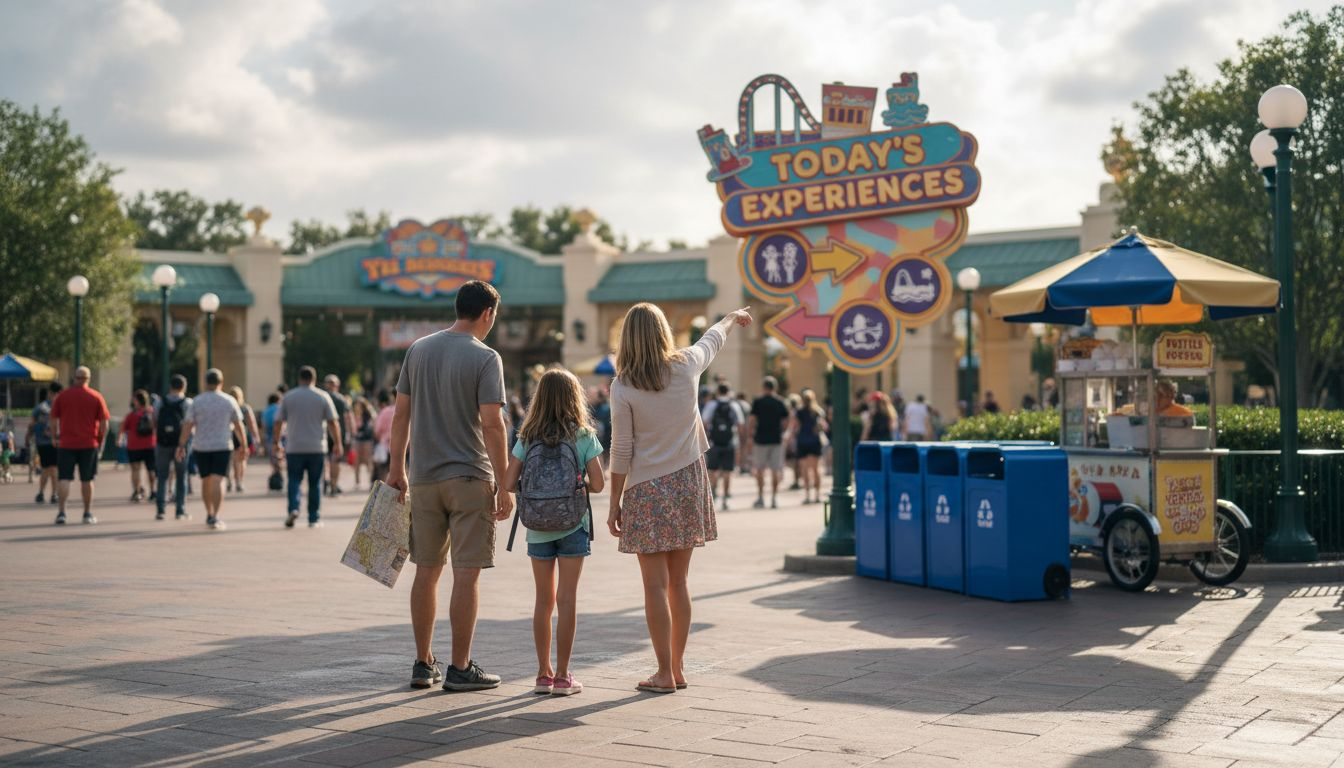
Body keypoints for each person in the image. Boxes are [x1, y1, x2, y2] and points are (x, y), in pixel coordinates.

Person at [607, 303, 752, 694]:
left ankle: (662, 673)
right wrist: (731, 318)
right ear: (663, 333)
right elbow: (712, 340)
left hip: (646, 488)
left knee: (654, 586)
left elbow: (621, 450)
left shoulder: (623, 385)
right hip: (689, 481)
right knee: (679, 583)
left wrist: (613, 504)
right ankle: (678, 666)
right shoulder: (686, 365)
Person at [386, 280, 512, 692]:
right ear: (487, 314)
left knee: (426, 571)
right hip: (470, 476)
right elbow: (492, 424)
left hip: (422, 478)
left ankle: (423, 663)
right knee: (466, 575)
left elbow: (400, 415)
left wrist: (396, 468)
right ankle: (460, 667)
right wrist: (505, 479)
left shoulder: (418, 350)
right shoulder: (486, 357)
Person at [501, 369, 605, 697]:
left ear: (539, 399)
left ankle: (542, 674)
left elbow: (507, 482)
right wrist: (575, 484)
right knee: (567, 599)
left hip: (537, 527)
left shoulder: (526, 436)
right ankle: (563, 676)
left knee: (543, 600)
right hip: (573, 524)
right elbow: (599, 484)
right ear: (575, 398)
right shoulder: (584, 435)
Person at [177, 369, 246, 531]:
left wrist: (181, 445)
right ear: (221, 383)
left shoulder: (197, 402)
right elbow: (238, 425)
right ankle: (215, 515)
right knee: (218, 480)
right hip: (222, 445)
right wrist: (243, 445)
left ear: (205, 383)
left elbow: (187, 425)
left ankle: (208, 512)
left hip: (201, 446)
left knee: (206, 480)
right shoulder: (229, 401)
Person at [274, 366, 341, 528]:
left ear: (299, 378)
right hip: (317, 447)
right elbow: (333, 422)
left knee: (294, 480)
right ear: (314, 379)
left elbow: (278, 422)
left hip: (294, 447)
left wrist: (276, 442)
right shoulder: (322, 396)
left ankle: (293, 508)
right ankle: (313, 517)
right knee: (315, 483)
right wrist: (338, 443)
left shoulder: (288, 397)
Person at [50, 366, 110, 525]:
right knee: (87, 479)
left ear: (74, 378)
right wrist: (100, 440)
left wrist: (55, 436)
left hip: (66, 443)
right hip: (89, 444)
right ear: (88, 379)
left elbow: (54, 419)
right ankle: (87, 513)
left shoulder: (62, 396)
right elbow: (104, 424)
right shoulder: (96, 397)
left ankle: (62, 513)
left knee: (64, 479)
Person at [747, 376, 790, 510]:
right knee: (775, 470)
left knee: (759, 470)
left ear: (763, 387)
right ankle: (774, 497)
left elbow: (752, 420)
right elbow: (786, 421)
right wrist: (782, 432)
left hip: (760, 439)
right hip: (776, 439)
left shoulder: (757, 401)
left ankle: (760, 497)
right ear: (775, 387)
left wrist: (750, 435)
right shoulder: (780, 401)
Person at [154, 375, 193, 521]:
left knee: (162, 477)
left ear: (170, 386)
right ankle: (180, 510)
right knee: (181, 476)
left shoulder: (160, 401)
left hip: (163, 443)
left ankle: (161, 510)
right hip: (180, 445)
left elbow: (155, 420)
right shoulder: (187, 403)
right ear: (184, 386)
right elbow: (190, 423)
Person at [701, 383, 744, 511]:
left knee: (713, 470)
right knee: (727, 472)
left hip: (714, 442)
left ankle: (714, 493)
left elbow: (704, 422)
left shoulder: (711, 405)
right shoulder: (734, 405)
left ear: (718, 392)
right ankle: (725, 498)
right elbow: (740, 424)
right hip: (730, 442)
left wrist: (706, 440)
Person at [790, 389, 828, 504]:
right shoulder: (818, 411)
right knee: (816, 469)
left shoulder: (799, 412)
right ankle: (817, 495)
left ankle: (807, 495)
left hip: (803, 442)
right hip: (815, 442)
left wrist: (792, 438)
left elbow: (795, 427)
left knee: (805, 470)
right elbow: (824, 427)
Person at [120, 390, 157, 502]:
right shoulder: (152, 412)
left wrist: (119, 439)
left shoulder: (132, 415)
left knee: (135, 470)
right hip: (150, 445)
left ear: (137, 401)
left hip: (134, 446)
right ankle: (153, 491)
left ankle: (137, 492)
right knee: (151, 470)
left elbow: (123, 428)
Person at [29, 382, 61, 505]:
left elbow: (32, 423)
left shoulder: (58, 407)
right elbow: (32, 423)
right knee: (50, 469)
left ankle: (48, 493)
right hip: (46, 442)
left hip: (51, 442)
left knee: (50, 469)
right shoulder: (42, 407)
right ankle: (50, 493)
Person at [324, 374, 354, 496]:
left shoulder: (322, 397)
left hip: (323, 433)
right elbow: (348, 418)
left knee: (323, 460)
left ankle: (325, 481)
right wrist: (350, 434)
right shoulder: (342, 399)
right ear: (337, 385)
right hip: (338, 434)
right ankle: (334, 485)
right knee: (335, 460)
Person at [228, 385, 260, 494]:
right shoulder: (245, 408)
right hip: (243, 436)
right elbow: (252, 424)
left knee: (232, 460)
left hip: (230, 435)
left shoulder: (229, 406)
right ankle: (239, 481)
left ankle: (229, 480)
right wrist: (256, 436)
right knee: (241, 460)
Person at [352, 396, 376, 489]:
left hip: (367, 440)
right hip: (358, 440)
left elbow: (373, 423)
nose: (357, 407)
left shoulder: (369, 413)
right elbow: (353, 428)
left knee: (368, 460)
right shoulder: (355, 414)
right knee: (356, 461)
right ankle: (357, 481)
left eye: (359, 405)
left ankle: (371, 480)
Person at [372, 389, 394, 483]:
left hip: (385, 446)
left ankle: (383, 492)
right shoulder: (400, 409)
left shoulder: (384, 412)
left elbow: (377, 431)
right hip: (401, 446)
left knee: (383, 471)